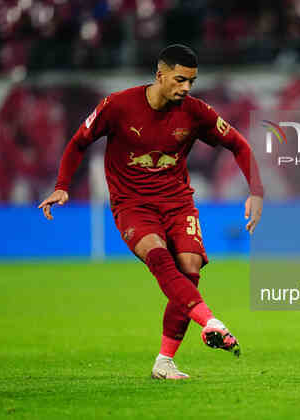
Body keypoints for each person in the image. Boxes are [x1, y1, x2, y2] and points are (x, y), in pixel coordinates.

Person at [38, 44, 264, 380]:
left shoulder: (196, 112)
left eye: (191, 81)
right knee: (158, 256)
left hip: (177, 202)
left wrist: (256, 191)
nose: (186, 88)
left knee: (190, 268)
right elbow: (78, 142)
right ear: (159, 75)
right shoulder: (117, 106)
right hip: (132, 205)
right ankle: (211, 322)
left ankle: (165, 362)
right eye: (179, 79)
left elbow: (239, 144)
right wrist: (62, 184)